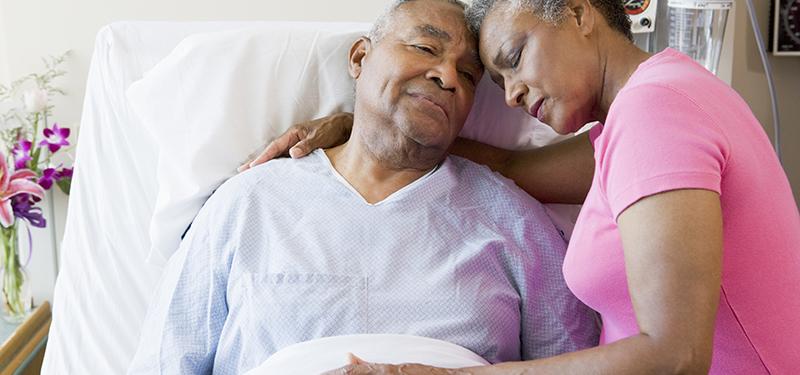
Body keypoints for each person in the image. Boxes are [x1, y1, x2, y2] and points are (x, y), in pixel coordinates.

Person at [243, 0, 800, 374]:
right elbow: (507, 166)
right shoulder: (639, 119)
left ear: (579, 13)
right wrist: (365, 125)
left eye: (513, 60)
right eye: (498, 80)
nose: (509, 95)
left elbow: (676, 355)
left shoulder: (658, 112)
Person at [128, 1, 600, 374]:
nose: (448, 76)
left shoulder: (514, 219)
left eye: (470, 74)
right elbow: (165, 362)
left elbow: (576, 362)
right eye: (425, 48)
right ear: (359, 57)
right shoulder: (248, 203)